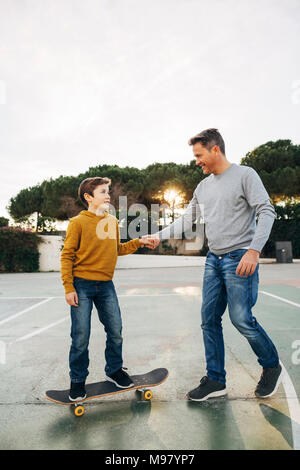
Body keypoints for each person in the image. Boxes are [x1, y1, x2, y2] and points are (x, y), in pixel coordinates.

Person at [146, 128, 282, 401]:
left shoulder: (245, 175)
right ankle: (216, 380)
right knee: (208, 320)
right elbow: (187, 220)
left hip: (239, 258)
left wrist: (254, 251)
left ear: (215, 149)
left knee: (241, 319)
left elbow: (266, 211)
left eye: (199, 155)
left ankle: (271, 366)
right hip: (213, 260)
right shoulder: (203, 187)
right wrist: (158, 236)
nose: (197, 161)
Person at [61, 176, 155, 401]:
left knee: (116, 330)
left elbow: (117, 250)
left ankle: (114, 370)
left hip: (105, 285)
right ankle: (77, 381)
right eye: (103, 192)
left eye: (108, 191)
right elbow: (67, 255)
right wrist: (68, 287)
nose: (108, 195)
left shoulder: (111, 221)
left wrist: (139, 242)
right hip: (81, 285)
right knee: (81, 336)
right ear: (88, 197)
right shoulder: (78, 223)